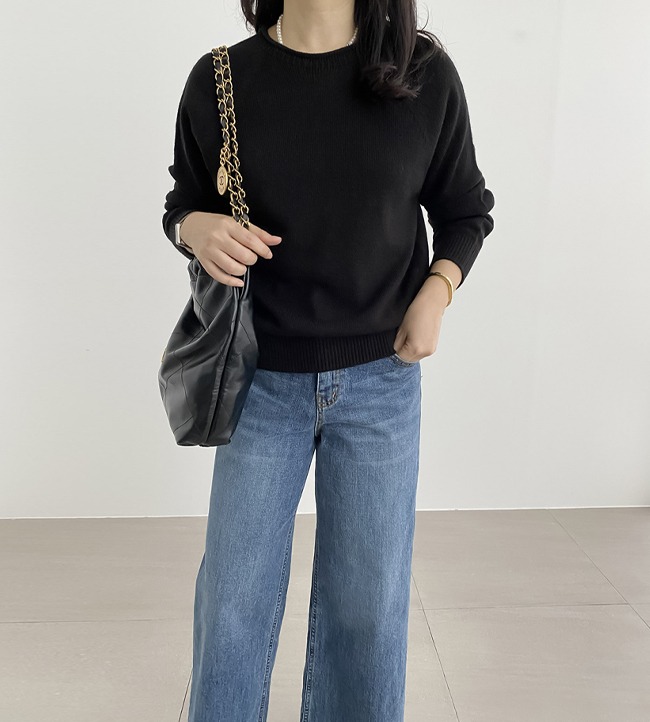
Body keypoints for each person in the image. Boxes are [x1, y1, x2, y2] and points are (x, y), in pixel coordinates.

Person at [161, 1, 495, 720]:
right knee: (234, 603)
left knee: (367, 610)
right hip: (258, 384)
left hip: (382, 383)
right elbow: (181, 202)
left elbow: (466, 210)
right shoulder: (222, 78)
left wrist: (436, 292)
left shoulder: (423, 74)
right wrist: (197, 228)